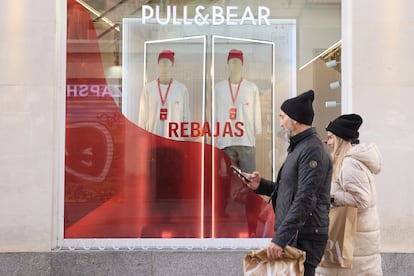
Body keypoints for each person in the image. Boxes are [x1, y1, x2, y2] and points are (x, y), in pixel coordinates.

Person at [243, 90, 332, 276]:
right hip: (297, 235)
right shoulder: (300, 147)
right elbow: (289, 189)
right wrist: (261, 185)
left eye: (283, 117)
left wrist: (281, 238)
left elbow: (306, 197)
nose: (281, 123)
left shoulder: (311, 150)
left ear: (296, 120)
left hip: (304, 237)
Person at [316, 114, 383, 276]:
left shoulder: (349, 164)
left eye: (331, 137)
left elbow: (362, 199)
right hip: (358, 245)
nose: (328, 142)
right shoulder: (350, 161)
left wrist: (332, 198)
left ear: (341, 138)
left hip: (354, 247)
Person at [214, 49, 263, 237]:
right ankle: (221, 215)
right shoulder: (219, 88)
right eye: (231, 61)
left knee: (250, 181)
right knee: (223, 180)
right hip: (225, 140)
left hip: (246, 141)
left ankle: (252, 216)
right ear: (227, 64)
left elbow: (256, 113)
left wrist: (256, 130)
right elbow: (213, 113)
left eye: (237, 61)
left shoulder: (251, 88)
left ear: (242, 64)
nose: (234, 64)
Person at [138, 49, 191, 140]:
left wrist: (187, 134)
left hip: (175, 139)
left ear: (172, 65)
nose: (164, 65)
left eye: (167, 62)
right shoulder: (148, 88)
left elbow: (186, 115)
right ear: (158, 64)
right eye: (162, 62)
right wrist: (141, 135)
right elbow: (143, 115)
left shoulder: (181, 89)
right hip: (153, 139)